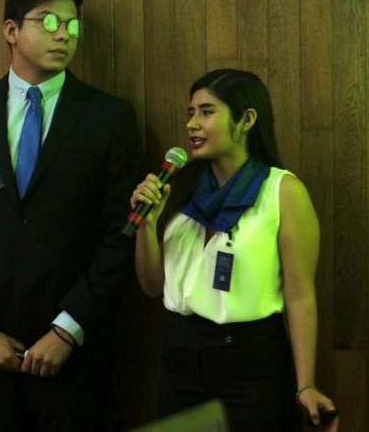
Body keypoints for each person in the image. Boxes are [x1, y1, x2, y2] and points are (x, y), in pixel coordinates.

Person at [0, 0, 142, 431]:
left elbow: (120, 234)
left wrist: (68, 329)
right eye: (49, 21)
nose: (64, 34)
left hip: (73, 355)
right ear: (11, 31)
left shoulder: (109, 118)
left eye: (73, 25)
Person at [131, 69, 338, 432]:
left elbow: (300, 296)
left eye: (207, 112)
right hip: (180, 360)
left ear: (247, 119)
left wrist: (305, 384)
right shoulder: (180, 188)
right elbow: (152, 285)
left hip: (250, 364)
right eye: (190, 113)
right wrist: (147, 226)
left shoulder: (282, 191)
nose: (192, 124)